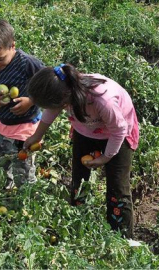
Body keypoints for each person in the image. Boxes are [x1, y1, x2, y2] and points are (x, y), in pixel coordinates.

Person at [23, 63, 139, 238]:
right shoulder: (64, 90)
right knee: (79, 181)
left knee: (117, 190)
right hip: (85, 131)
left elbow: (119, 130)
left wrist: (106, 157)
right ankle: (78, 224)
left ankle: (123, 238)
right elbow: (51, 111)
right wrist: (37, 136)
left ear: (65, 99)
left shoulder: (102, 100)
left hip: (117, 136)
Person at [0, 18, 44, 188]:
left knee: (23, 169)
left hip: (25, 130)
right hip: (3, 127)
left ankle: (25, 201)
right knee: (1, 165)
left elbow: (49, 86)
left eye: (0, 59)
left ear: (12, 45)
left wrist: (31, 101)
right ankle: (6, 192)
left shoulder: (27, 64)